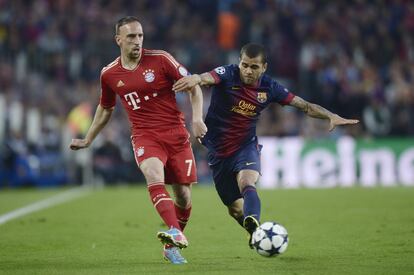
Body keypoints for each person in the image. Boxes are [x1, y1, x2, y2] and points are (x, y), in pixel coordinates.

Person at [173, 43, 359, 248]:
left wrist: (330, 116)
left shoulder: (270, 87)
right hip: (218, 153)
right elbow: (205, 78)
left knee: (246, 182)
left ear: (264, 68)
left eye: (254, 67)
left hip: (246, 147)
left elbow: (304, 106)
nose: (248, 71)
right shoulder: (227, 73)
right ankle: (254, 229)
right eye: (245, 65)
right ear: (239, 63)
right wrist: (196, 78)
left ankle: (254, 221)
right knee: (235, 210)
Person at [70, 16, 207, 264]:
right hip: (145, 136)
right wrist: (88, 138)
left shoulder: (162, 59)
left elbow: (194, 86)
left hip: (175, 135)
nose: (137, 41)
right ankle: (175, 231)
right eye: (131, 36)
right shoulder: (109, 74)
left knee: (184, 196)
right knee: (154, 175)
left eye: (140, 36)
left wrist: (197, 119)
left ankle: (172, 242)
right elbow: (105, 108)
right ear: (118, 40)